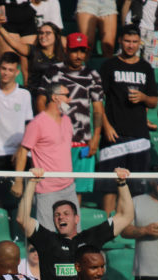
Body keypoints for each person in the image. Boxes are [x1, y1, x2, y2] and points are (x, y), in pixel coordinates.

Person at [15, 168, 134, 280]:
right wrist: (32, 182)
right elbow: (22, 219)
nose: (61, 217)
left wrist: (122, 184)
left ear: (76, 219)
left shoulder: (91, 238)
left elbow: (126, 216)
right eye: (57, 215)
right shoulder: (47, 239)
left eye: (66, 214)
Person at [97, 24, 158, 212]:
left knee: (137, 188)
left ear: (140, 43)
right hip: (114, 135)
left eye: (134, 42)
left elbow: (154, 101)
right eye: (127, 41)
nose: (130, 45)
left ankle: (132, 226)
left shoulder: (145, 67)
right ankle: (107, 227)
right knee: (109, 187)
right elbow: (98, 99)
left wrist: (143, 98)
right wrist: (106, 126)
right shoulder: (109, 65)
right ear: (120, 41)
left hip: (139, 136)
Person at [38, 32, 104, 199]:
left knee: (77, 191)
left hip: (82, 141)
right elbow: (40, 100)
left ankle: (74, 225)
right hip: (57, 141)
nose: (79, 55)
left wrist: (96, 136)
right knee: (54, 189)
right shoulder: (53, 71)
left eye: (83, 51)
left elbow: (97, 108)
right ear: (67, 50)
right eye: (75, 51)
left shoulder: (92, 75)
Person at [14, 83, 78, 229]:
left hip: (69, 187)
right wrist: (18, 181)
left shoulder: (67, 120)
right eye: (67, 95)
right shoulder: (37, 123)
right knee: (48, 234)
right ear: (55, 98)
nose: (70, 99)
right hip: (47, 189)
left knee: (74, 234)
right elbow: (23, 152)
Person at [0, 52, 34, 208]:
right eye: (3, 68)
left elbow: (29, 125)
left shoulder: (24, 95)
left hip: (18, 155)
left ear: (17, 72)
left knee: (21, 201)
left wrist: (21, 148)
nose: (6, 73)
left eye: (10, 70)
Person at [0, 13, 66, 92]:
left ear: (56, 36)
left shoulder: (62, 55)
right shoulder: (33, 51)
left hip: (55, 95)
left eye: (48, 33)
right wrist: (0, 28)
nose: (43, 36)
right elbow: (15, 44)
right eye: (41, 33)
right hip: (35, 93)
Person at [121, 0, 158, 68]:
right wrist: (125, 30)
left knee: (154, 66)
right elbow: (127, 3)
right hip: (133, 31)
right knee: (126, 64)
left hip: (156, 34)